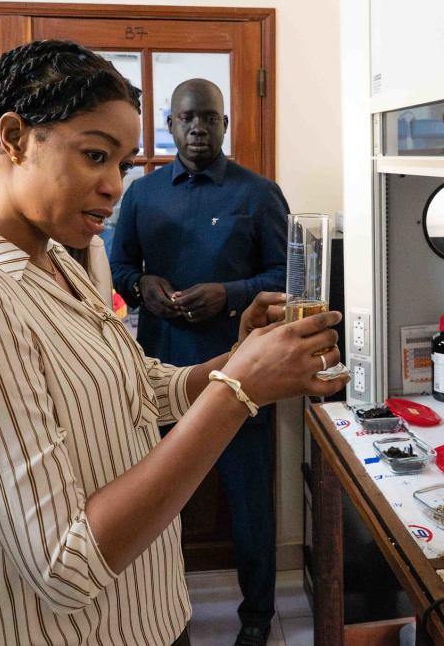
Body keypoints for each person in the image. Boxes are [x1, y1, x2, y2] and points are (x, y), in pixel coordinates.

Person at [0, 40, 346, 646]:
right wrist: (237, 391)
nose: (113, 185)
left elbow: (137, 389)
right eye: (93, 155)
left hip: (145, 616)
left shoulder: (58, 261)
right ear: (14, 138)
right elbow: (66, 565)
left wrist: (234, 360)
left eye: (123, 164)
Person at [110, 79, 289, 646]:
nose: (198, 128)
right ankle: (165, 613)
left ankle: (258, 619)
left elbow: (289, 276)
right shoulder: (141, 194)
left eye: (209, 118)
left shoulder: (258, 194)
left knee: (249, 503)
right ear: (169, 125)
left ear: (225, 124)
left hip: (243, 373)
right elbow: (118, 272)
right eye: (187, 118)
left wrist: (231, 294)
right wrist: (143, 287)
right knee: (159, 501)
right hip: (160, 374)